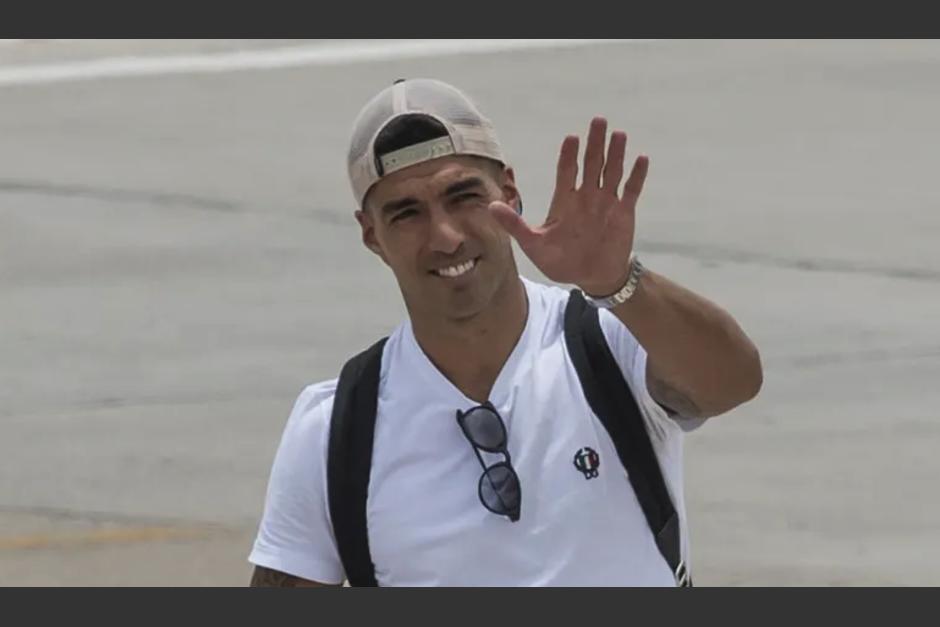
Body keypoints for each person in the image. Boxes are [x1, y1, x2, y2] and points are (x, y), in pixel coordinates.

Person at [248, 78, 762, 587]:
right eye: (407, 214)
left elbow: (734, 382)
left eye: (463, 196)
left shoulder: (608, 342)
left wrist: (617, 283)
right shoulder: (335, 428)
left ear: (510, 193)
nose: (445, 237)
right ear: (371, 235)